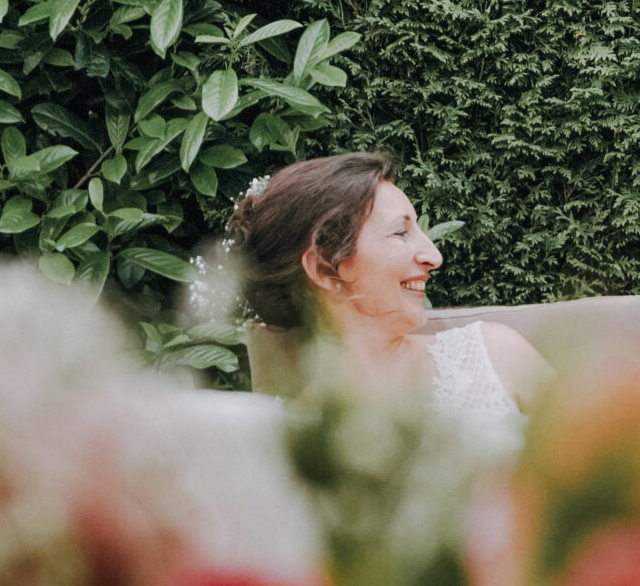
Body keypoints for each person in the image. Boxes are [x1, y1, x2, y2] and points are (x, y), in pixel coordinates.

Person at [225, 153, 549, 447]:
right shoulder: (287, 439)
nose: (434, 256)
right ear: (325, 270)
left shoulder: (495, 354)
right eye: (400, 232)